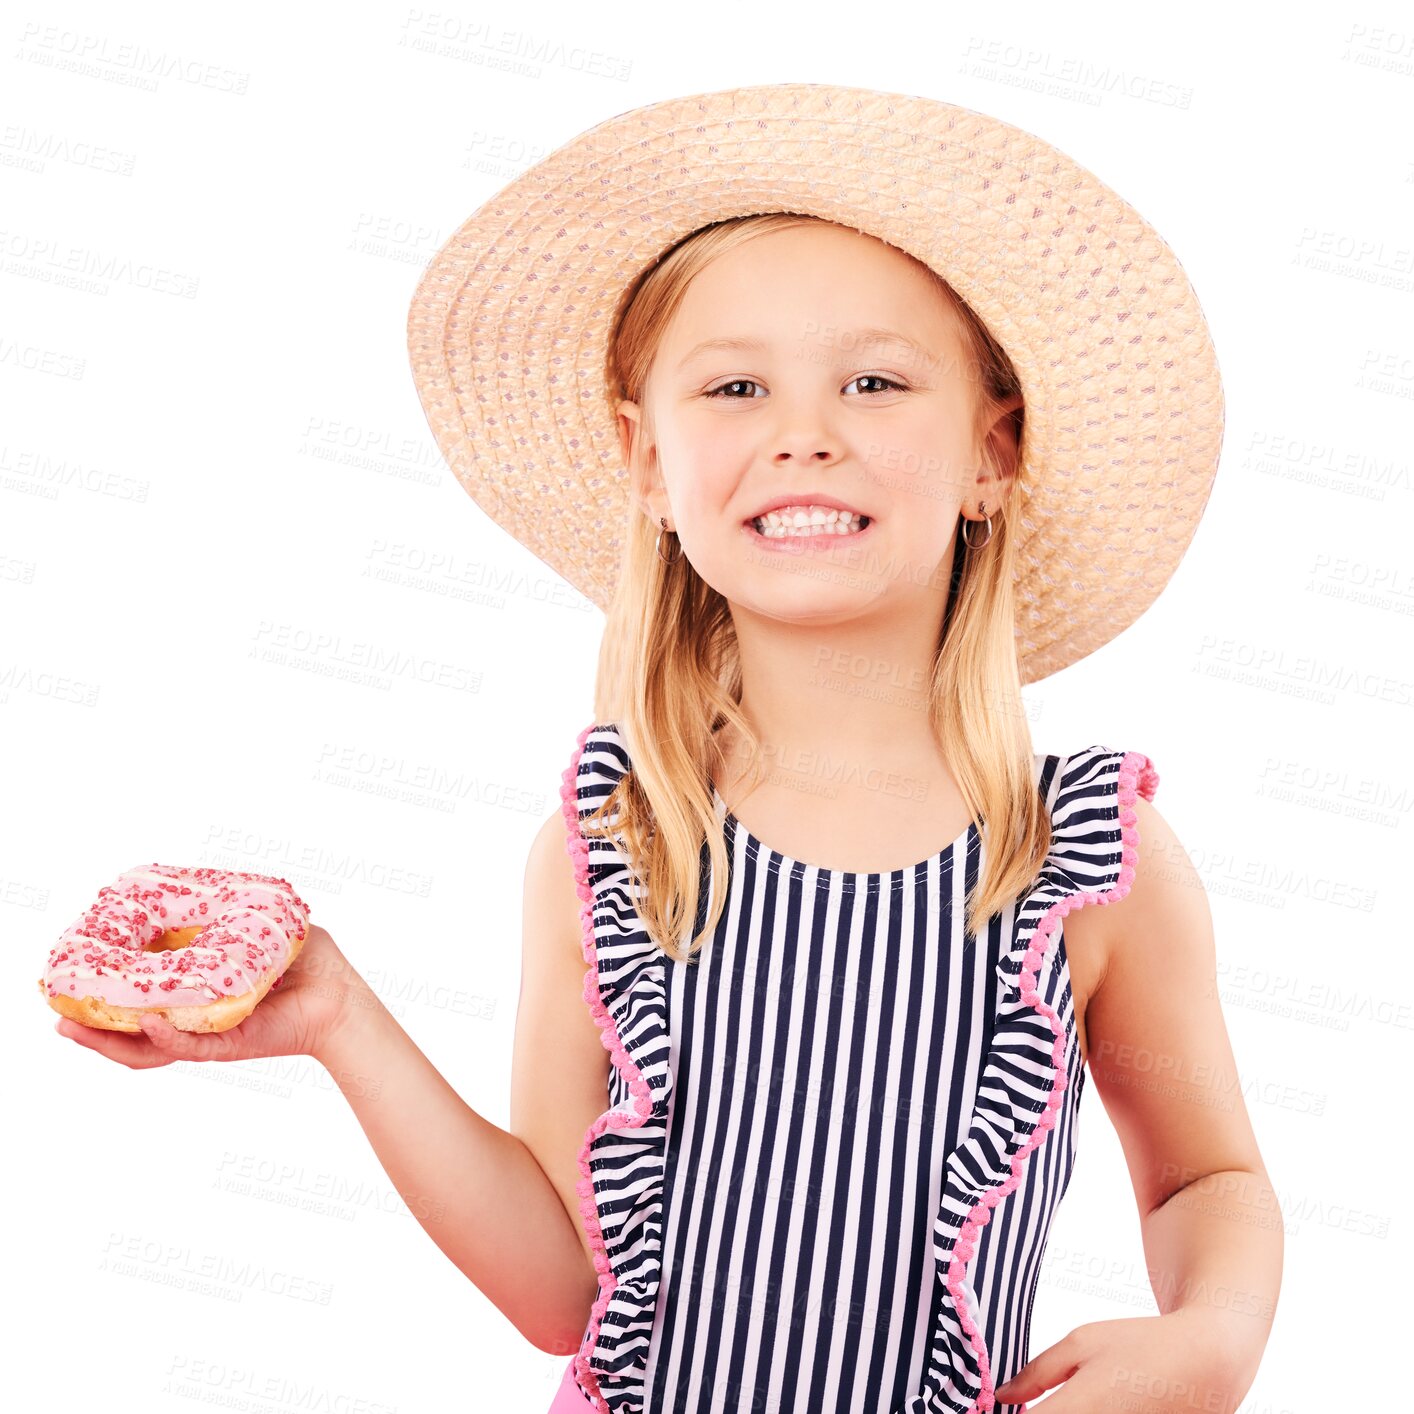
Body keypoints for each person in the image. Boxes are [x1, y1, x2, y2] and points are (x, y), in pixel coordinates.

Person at [59, 85, 1279, 1414]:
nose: (801, 430)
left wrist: (1212, 1332)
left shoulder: (1085, 862)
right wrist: (341, 1019)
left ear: (992, 451)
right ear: (646, 462)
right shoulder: (610, 856)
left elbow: (1200, 1176)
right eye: (734, 385)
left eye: (872, 381)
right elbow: (562, 1290)